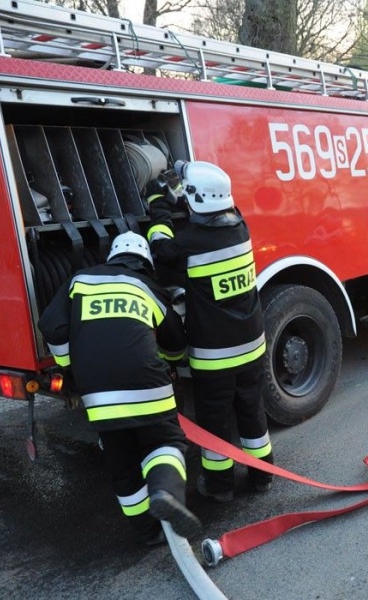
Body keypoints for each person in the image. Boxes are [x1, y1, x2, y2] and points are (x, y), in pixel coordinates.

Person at [38, 231, 202, 545]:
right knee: (166, 442)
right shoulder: (146, 287)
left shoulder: (79, 281)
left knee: (122, 464)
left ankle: (147, 533)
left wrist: (69, 365)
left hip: (99, 396)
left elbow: (51, 326)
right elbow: (175, 343)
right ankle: (165, 492)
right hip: (148, 386)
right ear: (146, 263)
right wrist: (172, 361)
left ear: (112, 257)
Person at [146, 161, 274, 502]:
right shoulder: (241, 227)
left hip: (214, 358)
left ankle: (220, 487)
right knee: (252, 411)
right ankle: (263, 476)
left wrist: (160, 204)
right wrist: (185, 191)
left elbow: (161, 250)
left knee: (215, 423)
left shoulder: (189, 242)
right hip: (252, 346)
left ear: (196, 199)